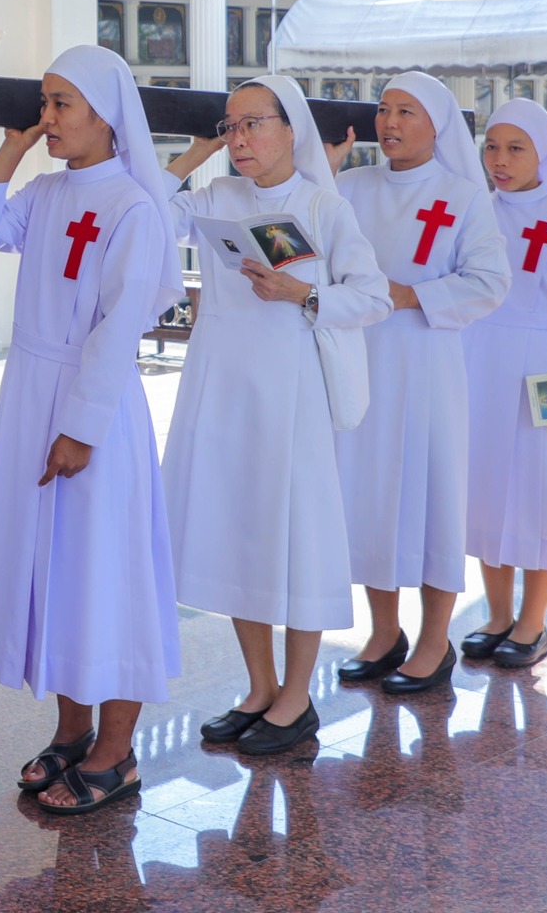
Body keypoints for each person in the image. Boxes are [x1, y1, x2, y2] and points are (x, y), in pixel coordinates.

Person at [0, 44, 185, 817]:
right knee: (59, 572)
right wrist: (12, 148)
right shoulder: (48, 191)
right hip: (32, 394)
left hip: (95, 406)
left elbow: (118, 330)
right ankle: (71, 730)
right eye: (44, 103)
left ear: (106, 116)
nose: (47, 117)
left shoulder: (132, 208)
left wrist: (81, 427)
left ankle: (117, 753)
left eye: (62, 105)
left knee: (105, 572)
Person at [161, 77, 391, 755]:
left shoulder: (323, 207)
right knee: (243, 535)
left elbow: (373, 297)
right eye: (229, 126)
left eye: (253, 124)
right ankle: (259, 688)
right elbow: (146, 216)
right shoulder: (216, 198)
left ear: (291, 129)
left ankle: (296, 698)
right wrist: (191, 156)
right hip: (224, 389)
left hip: (291, 397)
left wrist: (302, 292)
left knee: (296, 539)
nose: (238, 138)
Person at [331, 74, 510, 694]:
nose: (390, 122)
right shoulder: (350, 187)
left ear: (438, 126)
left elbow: (490, 282)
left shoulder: (462, 197)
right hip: (361, 361)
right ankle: (385, 633)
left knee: (433, 496)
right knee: (370, 493)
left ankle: (436, 641)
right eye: (384, 109)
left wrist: (409, 295)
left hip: (427, 365)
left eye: (407, 111)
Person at [461, 98, 547, 669]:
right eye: (492, 147)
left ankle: (533, 623)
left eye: (515, 148)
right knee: (485, 491)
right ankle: (497, 616)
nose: (500, 159)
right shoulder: (475, 210)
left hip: (544, 369)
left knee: (543, 494)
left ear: (543, 153)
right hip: (479, 364)